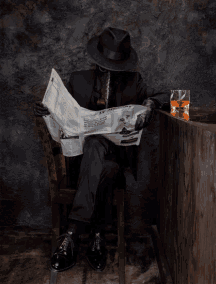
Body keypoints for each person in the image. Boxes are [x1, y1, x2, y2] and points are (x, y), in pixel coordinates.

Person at [34, 27, 170, 273]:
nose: (108, 70)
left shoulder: (134, 82)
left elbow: (179, 99)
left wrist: (151, 104)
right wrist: (48, 113)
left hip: (117, 163)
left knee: (102, 153)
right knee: (97, 155)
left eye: (114, 66)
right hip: (81, 163)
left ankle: (73, 233)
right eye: (104, 63)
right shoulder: (78, 79)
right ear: (96, 58)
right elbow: (64, 121)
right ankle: (97, 234)